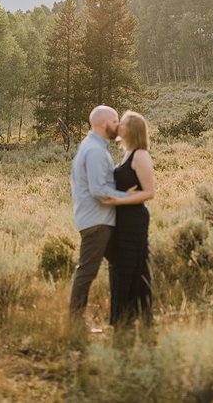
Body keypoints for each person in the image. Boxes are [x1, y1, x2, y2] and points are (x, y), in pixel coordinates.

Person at [68, 105, 133, 325]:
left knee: (119, 265)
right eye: (115, 121)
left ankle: (119, 316)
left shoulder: (93, 147)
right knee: (87, 271)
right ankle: (75, 322)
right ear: (104, 123)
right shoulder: (95, 150)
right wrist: (126, 196)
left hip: (99, 219)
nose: (118, 125)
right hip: (97, 221)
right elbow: (98, 190)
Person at [102, 110, 155, 328]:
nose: (117, 126)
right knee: (123, 266)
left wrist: (120, 201)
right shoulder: (127, 153)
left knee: (132, 267)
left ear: (131, 129)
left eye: (121, 123)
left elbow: (149, 192)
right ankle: (125, 319)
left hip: (134, 220)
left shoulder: (140, 155)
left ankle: (132, 318)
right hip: (122, 219)